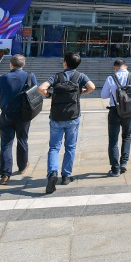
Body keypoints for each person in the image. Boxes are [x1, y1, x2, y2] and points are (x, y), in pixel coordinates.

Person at [37, 52, 95, 194]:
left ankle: (52, 173)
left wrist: (49, 95)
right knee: (70, 147)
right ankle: (66, 176)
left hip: (56, 117)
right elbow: (92, 87)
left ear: (65, 63)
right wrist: (80, 93)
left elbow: (41, 88)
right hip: (73, 117)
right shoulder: (80, 76)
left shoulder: (57, 76)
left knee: (54, 147)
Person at [0, 54, 37, 185]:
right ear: (23, 64)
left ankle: (5, 174)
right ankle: (22, 167)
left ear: (11, 64)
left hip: (6, 115)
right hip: (23, 115)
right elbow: (35, 94)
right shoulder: (30, 76)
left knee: (6, 144)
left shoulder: (3, 78)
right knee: (22, 140)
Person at [101, 59, 131, 176]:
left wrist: (113, 93)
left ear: (115, 67)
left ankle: (115, 169)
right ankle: (123, 163)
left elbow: (103, 95)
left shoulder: (111, 78)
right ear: (125, 66)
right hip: (129, 111)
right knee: (127, 136)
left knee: (113, 140)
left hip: (114, 111)